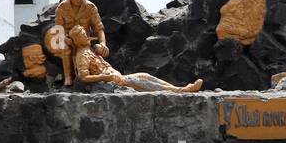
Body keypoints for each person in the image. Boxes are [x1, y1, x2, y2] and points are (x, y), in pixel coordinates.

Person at [69, 26, 203, 93]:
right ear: (77, 40)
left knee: (145, 75)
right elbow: (84, 76)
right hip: (117, 82)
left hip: (120, 77)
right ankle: (182, 91)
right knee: (148, 84)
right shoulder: (82, 55)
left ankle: (180, 89)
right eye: (82, 35)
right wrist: (104, 77)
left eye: (84, 33)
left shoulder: (91, 50)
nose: (86, 35)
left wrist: (100, 49)